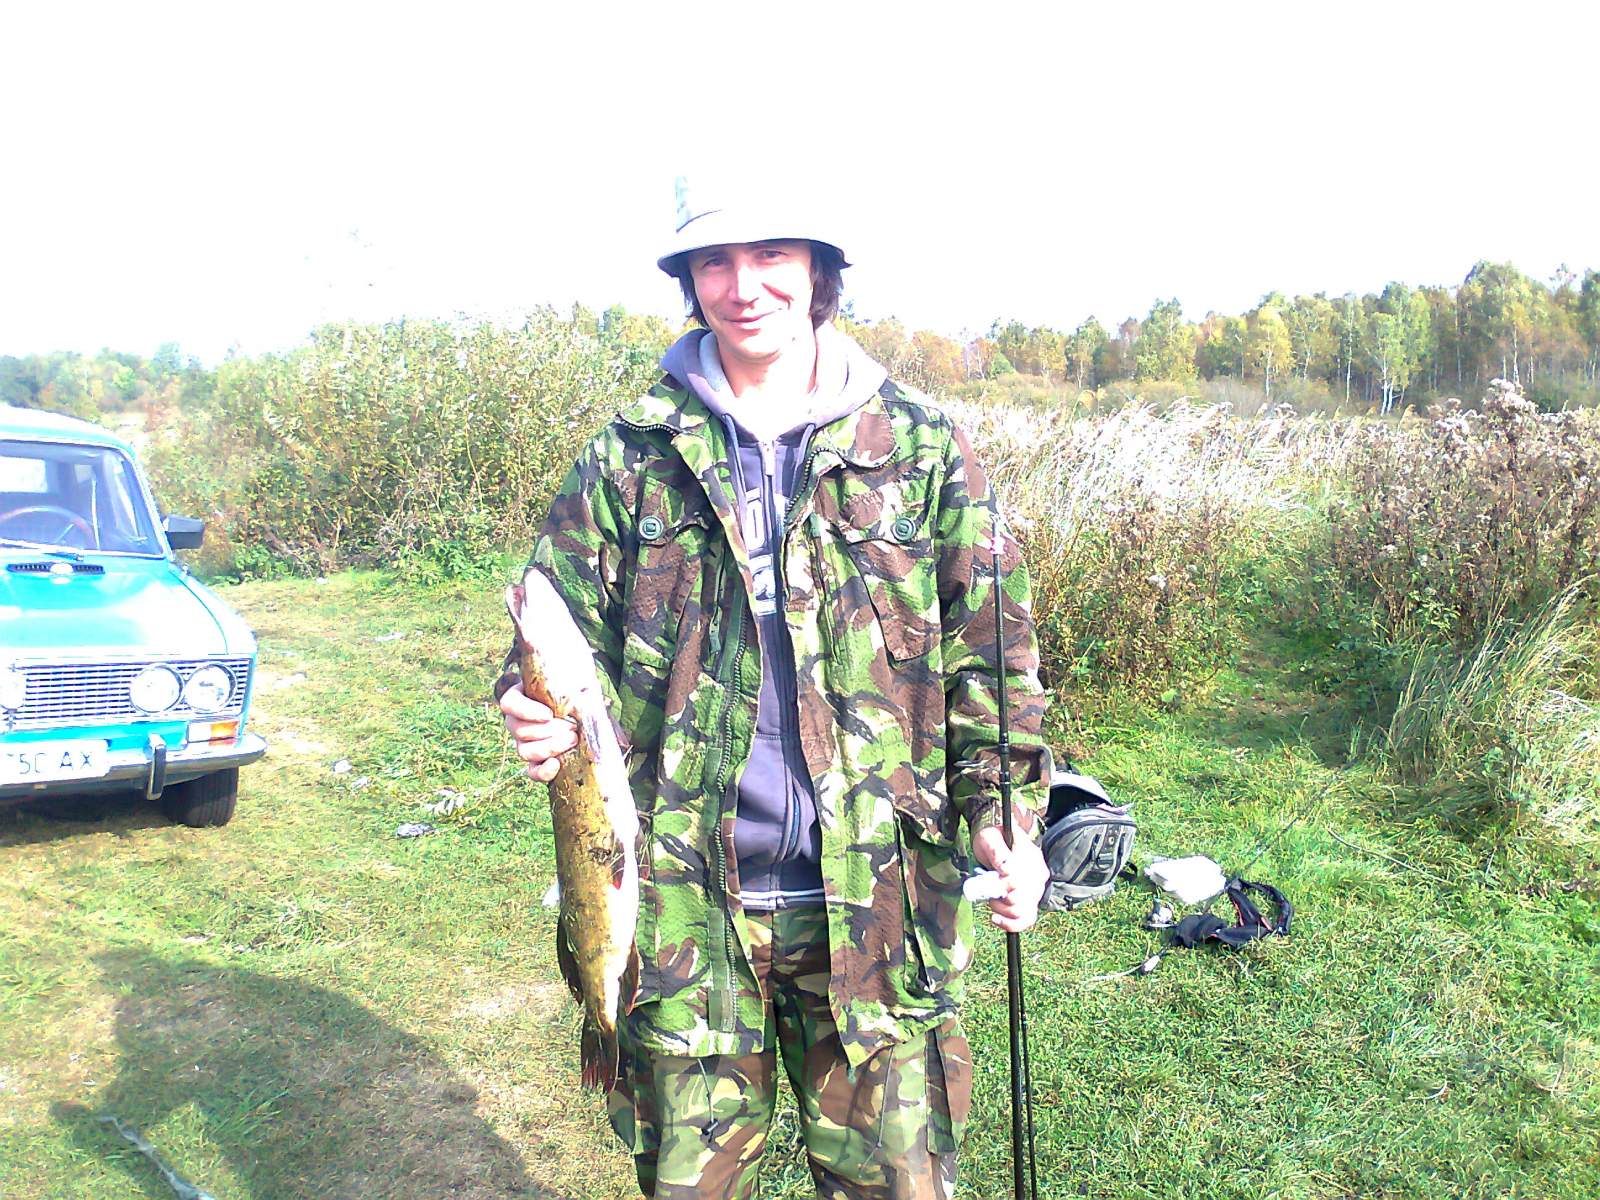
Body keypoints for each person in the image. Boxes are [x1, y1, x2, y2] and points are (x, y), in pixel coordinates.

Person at [498, 178, 1052, 1200]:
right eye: (714, 261)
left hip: (881, 913)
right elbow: (546, 617)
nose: (742, 286)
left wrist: (1001, 821)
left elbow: (992, 662)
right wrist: (528, 706)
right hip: (683, 916)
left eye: (770, 257)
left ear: (818, 270)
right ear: (688, 279)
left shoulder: (922, 446)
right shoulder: (629, 455)